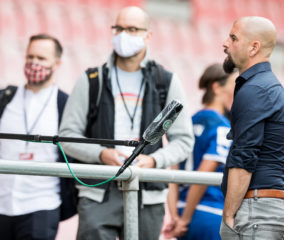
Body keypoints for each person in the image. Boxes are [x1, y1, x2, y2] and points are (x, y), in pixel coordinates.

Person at [59, 6, 194, 240]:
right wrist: (101, 154)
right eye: (119, 28)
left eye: (132, 29)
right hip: (97, 192)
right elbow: (68, 135)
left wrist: (153, 160)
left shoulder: (166, 81)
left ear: (147, 35)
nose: (123, 35)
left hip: (148, 193)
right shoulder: (91, 79)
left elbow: (183, 140)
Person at [219, 16, 284, 240]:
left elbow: (244, 157)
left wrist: (229, 214)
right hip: (268, 208)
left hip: (257, 210)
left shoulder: (255, 89)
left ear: (254, 47)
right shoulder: (266, 85)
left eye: (233, 38)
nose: (225, 43)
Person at [0, 34, 77, 240]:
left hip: (42, 205)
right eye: (30, 56)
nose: (34, 63)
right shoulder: (4, 99)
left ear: (57, 63)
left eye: (41, 58)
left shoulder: (66, 105)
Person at [163, 63, 237, 240]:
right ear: (217, 87)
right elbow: (203, 175)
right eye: (235, 84)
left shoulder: (186, 124)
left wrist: (175, 216)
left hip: (181, 211)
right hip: (209, 212)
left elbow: (171, 175)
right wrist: (186, 219)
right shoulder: (222, 128)